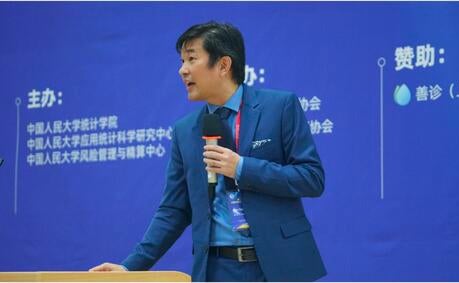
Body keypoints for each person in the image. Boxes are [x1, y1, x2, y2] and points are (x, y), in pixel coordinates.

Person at [89, 21, 326, 282]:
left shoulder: (279, 107)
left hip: (279, 267)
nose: (182, 70)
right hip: (216, 271)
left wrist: (242, 168)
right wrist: (130, 267)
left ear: (224, 65)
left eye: (191, 59)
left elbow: (311, 178)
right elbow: (174, 210)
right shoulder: (185, 131)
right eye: (181, 61)